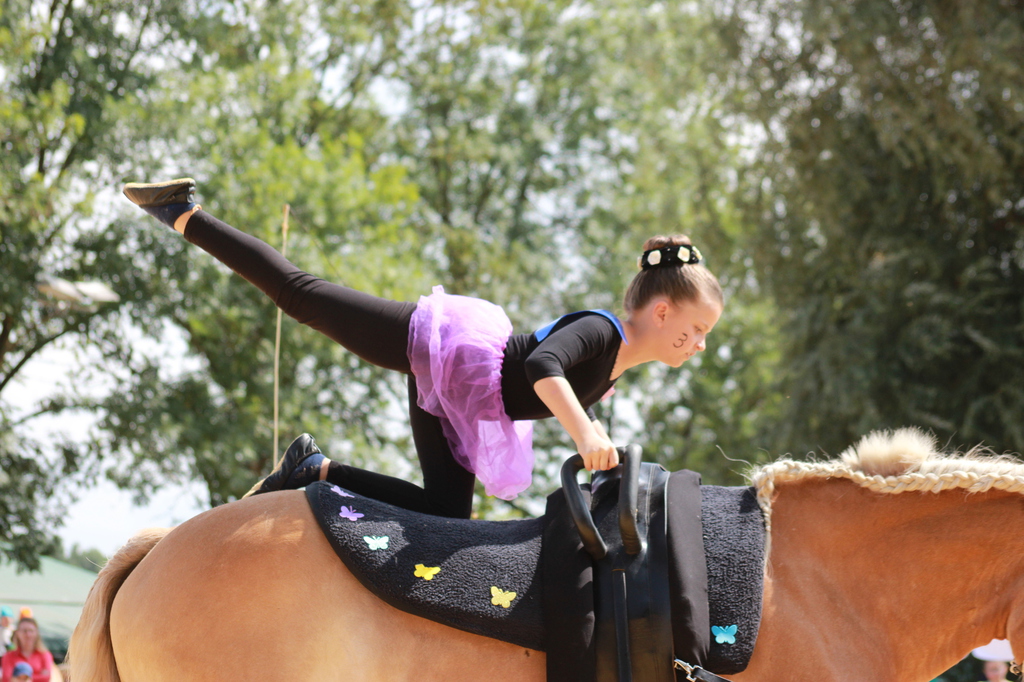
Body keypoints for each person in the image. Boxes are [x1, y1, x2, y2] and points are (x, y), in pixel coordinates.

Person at [123, 178, 724, 518]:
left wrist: (602, 450)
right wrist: (586, 435)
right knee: (303, 296)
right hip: (453, 352)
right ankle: (183, 213)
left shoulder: (615, 369)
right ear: (662, 312)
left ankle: (315, 470)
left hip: (463, 400)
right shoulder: (602, 331)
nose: (698, 345)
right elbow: (543, 364)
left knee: (446, 513)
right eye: (697, 329)